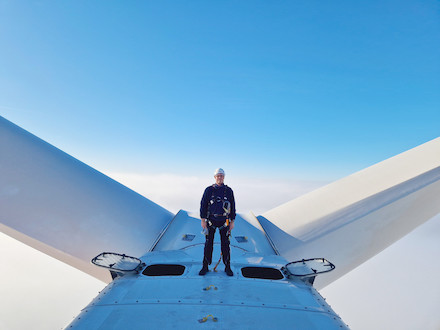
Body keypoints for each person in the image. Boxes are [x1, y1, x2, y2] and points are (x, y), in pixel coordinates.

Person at [199, 168, 236, 276]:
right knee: (208, 244)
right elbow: (203, 205)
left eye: (221, 176)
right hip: (211, 220)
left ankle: (227, 267)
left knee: (225, 245)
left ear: (224, 177)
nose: (220, 177)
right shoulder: (208, 190)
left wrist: (232, 221)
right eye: (218, 176)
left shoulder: (229, 191)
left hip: (224, 221)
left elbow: (233, 206)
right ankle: (205, 266)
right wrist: (203, 220)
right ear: (215, 177)